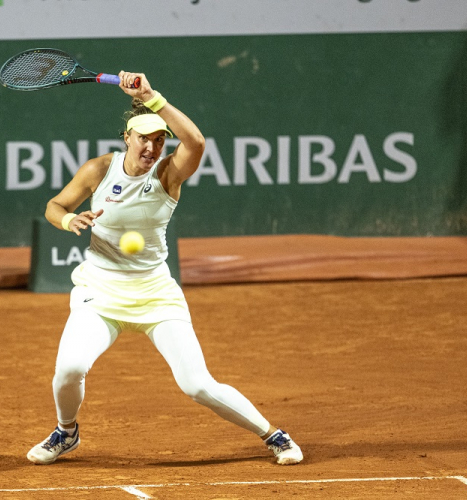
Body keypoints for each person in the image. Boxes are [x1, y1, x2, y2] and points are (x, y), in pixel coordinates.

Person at [26, 71, 303, 465]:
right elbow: (54, 206)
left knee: (196, 384)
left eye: (159, 140)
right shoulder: (98, 170)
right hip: (100, 291)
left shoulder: (168, 174)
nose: (152, 148)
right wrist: (69, 221)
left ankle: (273, 434)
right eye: (144, 138)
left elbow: (197, 141)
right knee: (69, 368)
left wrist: (155, 98)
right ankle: (66, 432)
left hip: (156, 294)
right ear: (127, 136)